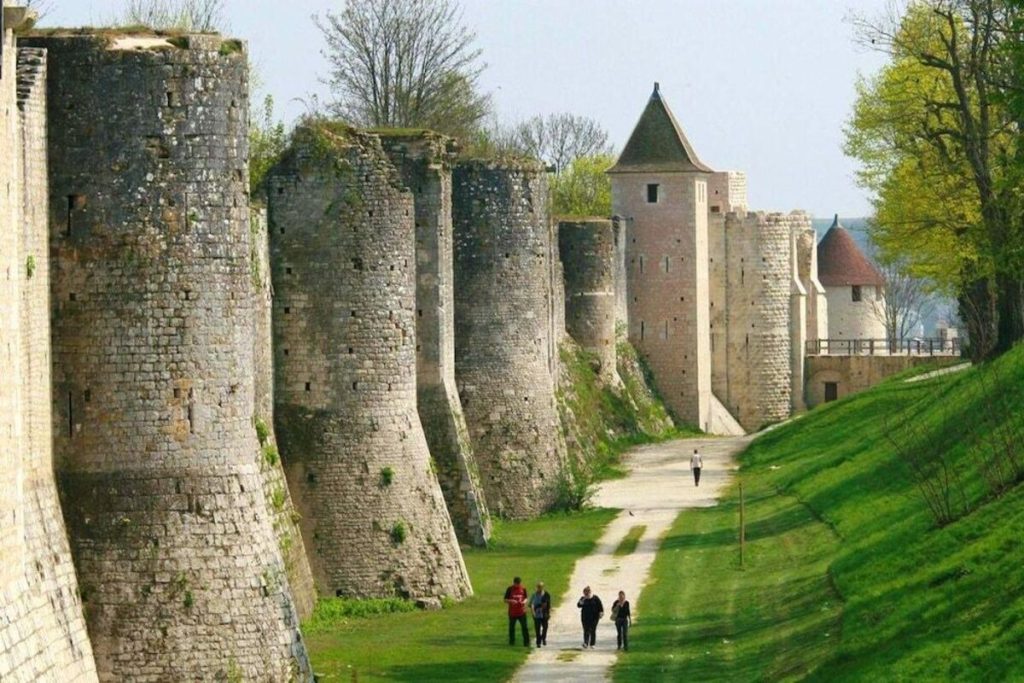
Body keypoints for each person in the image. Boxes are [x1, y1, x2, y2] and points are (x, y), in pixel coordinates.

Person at [504, 576, 531, 647]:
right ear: (514, 583)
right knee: (512, 628)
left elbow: (526, 598)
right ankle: (512, 642)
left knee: (524, 627)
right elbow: (505, 599)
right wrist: (511, 601)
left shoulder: (523, 589)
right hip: (512, 612)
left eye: (519, 584)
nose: (517, 585)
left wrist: (524, 602)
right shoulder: (510, 589)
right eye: (516, 584)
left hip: (522, 612)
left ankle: (526, 642)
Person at [530, 581, 551, 647]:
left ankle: (543, 638)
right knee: (537, 628)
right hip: (537, 614)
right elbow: (532, 604)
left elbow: (548, 605)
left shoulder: (546, 594)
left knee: (545, 627)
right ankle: (538, 642)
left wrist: (549, 613)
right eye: (538, 587)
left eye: (541, 587)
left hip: (544, 613)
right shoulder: (534, 595)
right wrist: (533, 612)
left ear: (543, 587)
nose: (539, 588)